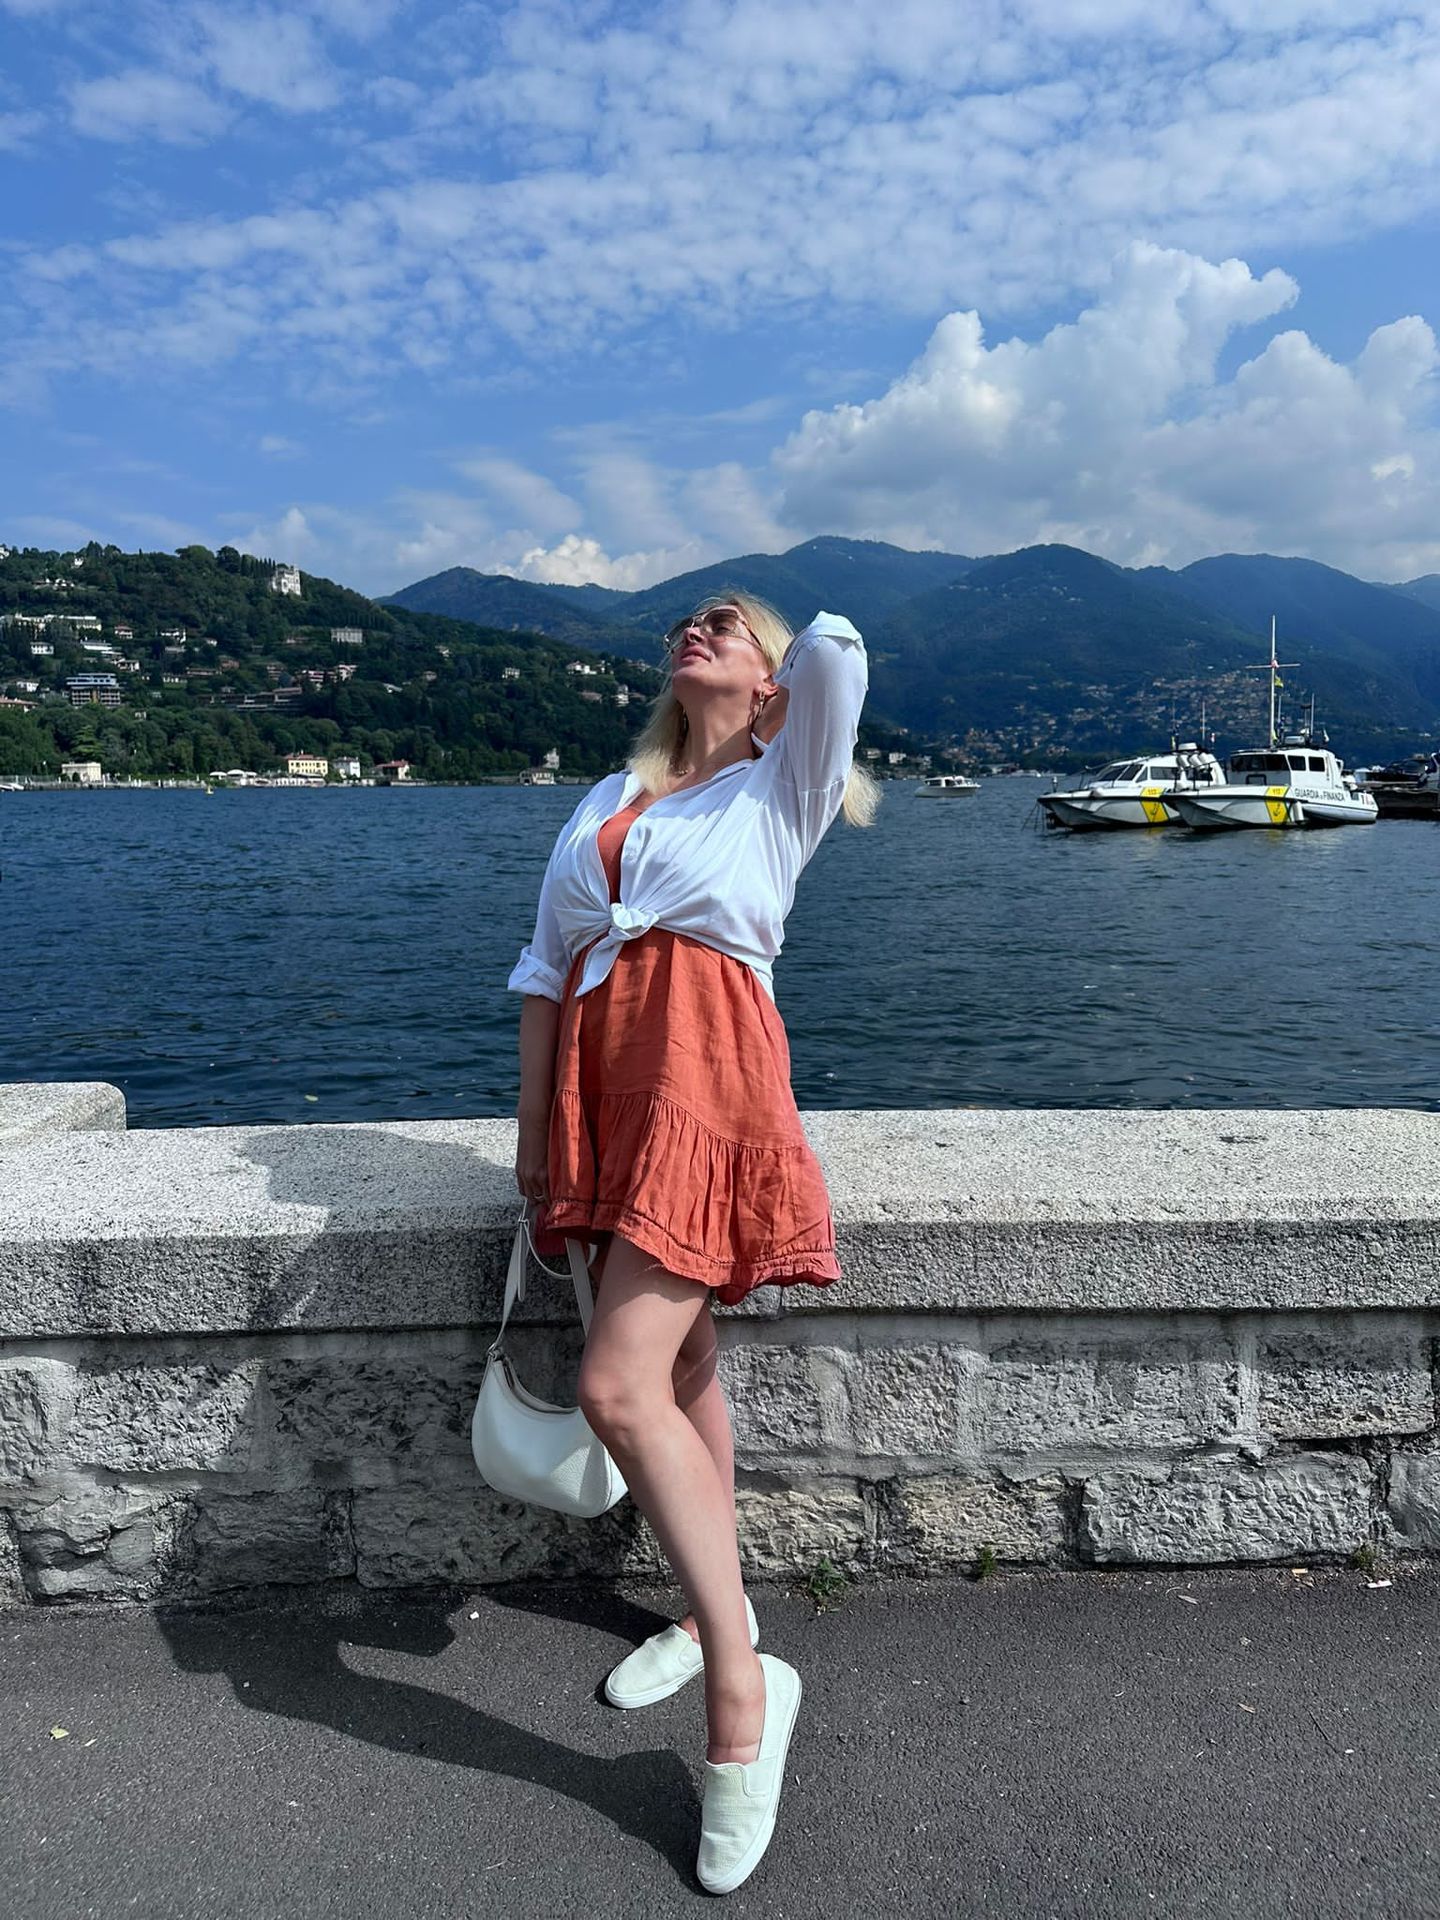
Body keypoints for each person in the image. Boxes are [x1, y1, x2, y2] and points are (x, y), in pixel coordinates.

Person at [508, 589, 877, 1894]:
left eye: (732, 624)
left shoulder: (784, 787)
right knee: (680, 1365)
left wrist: (778, 675)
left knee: (617, 1386)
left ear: (770, 685)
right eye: (695, 617)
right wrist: (537, 1139)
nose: (702, 620)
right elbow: (545, 965)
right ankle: (709, 1605)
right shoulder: (612, 795)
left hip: (707, 1081)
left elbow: (839, 649)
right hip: (602, 1088)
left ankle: (741, 1687)